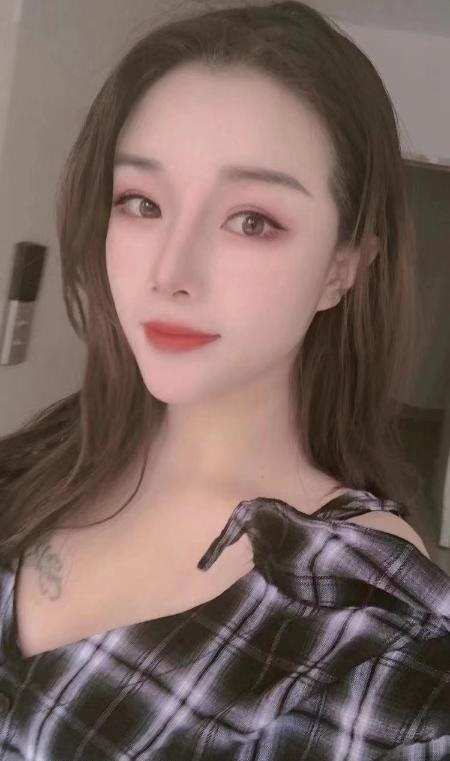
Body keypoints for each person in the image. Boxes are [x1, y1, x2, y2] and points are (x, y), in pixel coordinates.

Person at [0, 1, 448, 758]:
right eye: (142, 203)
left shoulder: (373, 627)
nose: (170, 272)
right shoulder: (45, 451)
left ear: (342, 268)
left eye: (252, 220)